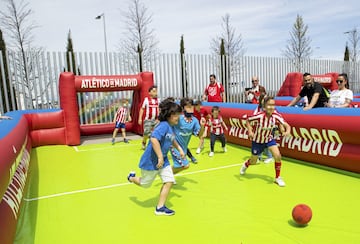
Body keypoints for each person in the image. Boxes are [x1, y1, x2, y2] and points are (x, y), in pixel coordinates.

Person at [127, 99, 184, 216]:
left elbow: (171, 139)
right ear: (169, 115)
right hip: (151, 161)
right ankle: (131, 178)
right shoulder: (163, 126)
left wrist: (180, 149)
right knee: (145, 184)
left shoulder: (171, 127)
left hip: (163, 161)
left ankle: (160, 207)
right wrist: (159, 157)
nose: (178, 117)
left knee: (169, 181)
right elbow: (153, 139)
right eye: (176, 115)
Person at [240, 96, 291, 187]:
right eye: (269, 105)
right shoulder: (259, 116)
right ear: (264, 106)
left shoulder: (276, 115)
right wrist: (250, 131)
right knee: (254, 161)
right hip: (257, 141)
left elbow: (287, 125)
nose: (271, 107)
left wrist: (287, 131)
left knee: (278, 156)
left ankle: (277, 177)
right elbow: (248, 120)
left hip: (269, 139)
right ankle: (246, 164)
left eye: (273, 105)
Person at [171, 98, 205, 174]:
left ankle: (168, 175)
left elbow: (199, 136)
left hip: (184, 148)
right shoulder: (179, 118)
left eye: (191, 106)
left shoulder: (195, 121)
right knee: (185, 165)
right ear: (183, 108)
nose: (190, 108)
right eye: (188, 107)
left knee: (178, 166)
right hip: (174, 146)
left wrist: (202, 126)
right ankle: (167, 174)